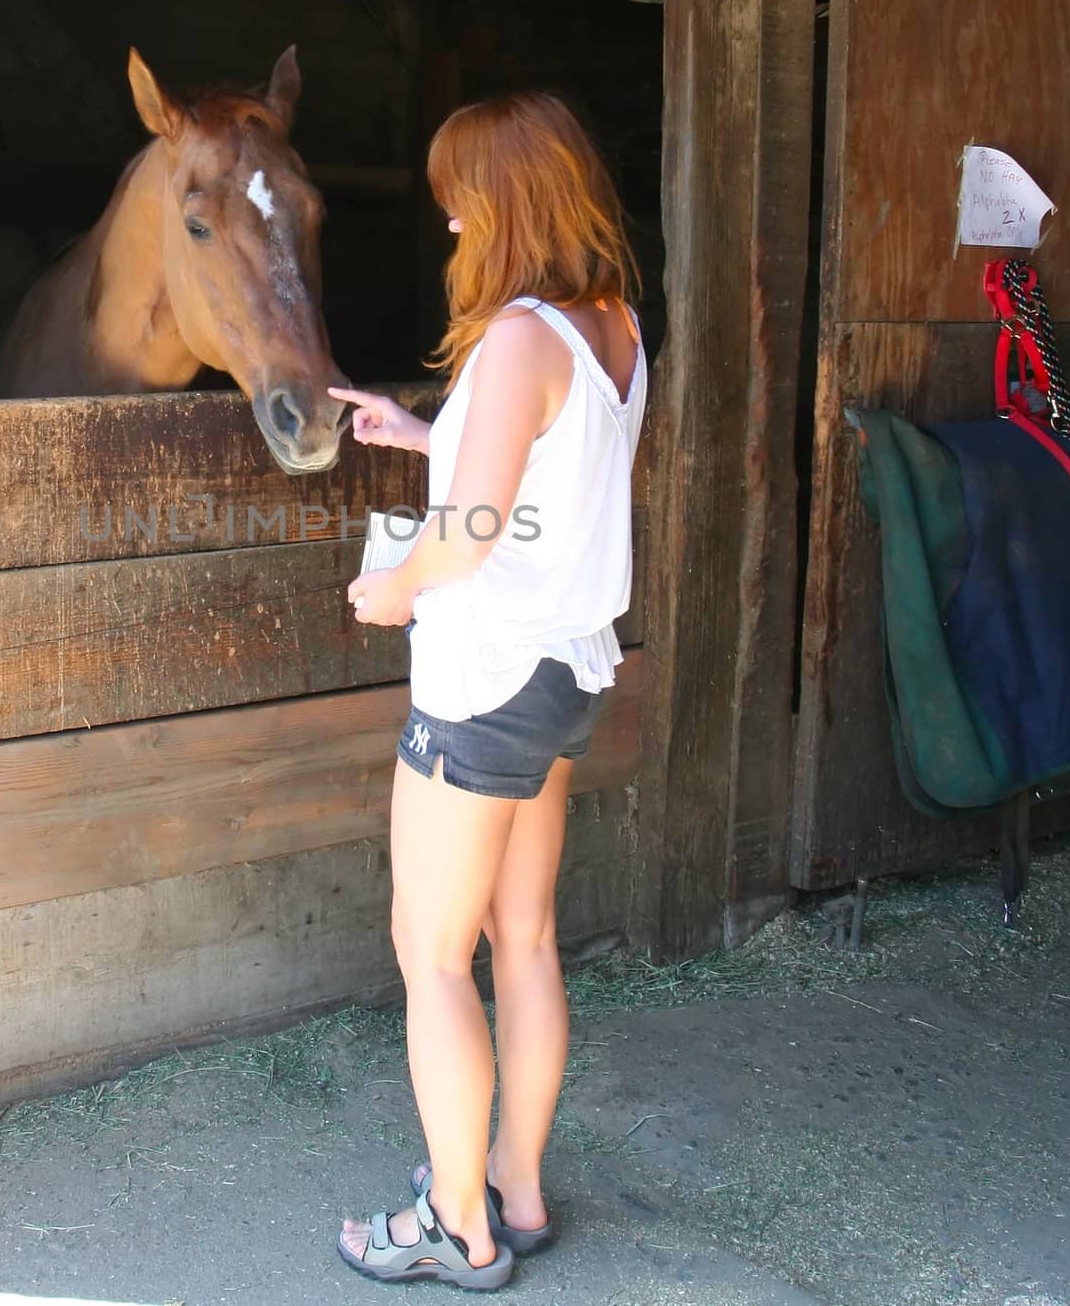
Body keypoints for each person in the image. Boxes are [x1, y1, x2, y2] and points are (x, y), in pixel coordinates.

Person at [325, 91, 646, 1291]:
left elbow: (463, 541)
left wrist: (396, 588)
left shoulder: (516, 338)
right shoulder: (607, 326)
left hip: (483, 683)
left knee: (429, 955)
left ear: (506, 200)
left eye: (463, 201)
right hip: (565, 673)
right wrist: (423, 435)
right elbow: (546, 477)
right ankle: (516, 1185)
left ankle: (453, 1226)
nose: (453, 225)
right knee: (524, 940)